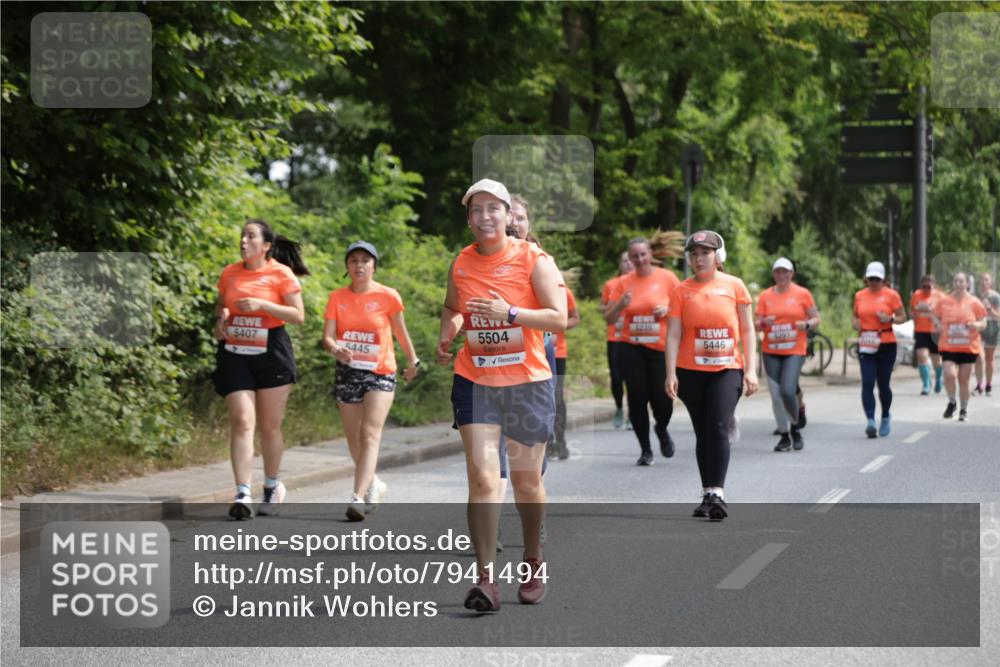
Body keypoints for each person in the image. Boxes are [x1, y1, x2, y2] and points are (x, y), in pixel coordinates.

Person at [437, 178, 566, 613]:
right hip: (475, 380)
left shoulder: (533, 258)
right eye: (476, 209)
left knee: (527, 483)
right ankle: (485, 579)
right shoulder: (461, 262)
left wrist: (509, 312)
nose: (485, 216)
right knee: (483, 479)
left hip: (527, 383)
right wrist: (447, 332)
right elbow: (453, 307)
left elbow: (558, 317)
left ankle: (532, 559)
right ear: (469, 219)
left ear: (509, 215)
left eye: (493, 208)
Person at [213, 219, 308, 520]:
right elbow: (221, 305)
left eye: (251, 236)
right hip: (235, 352)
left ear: (266, 246)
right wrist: (221, 320)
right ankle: (242, 492)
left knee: (269, 427)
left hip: (271, 351)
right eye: (242, 235)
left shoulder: (280, 273)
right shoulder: (229, 273)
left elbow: (298, 315)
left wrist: (263, 305)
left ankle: (271, 485)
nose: (243, 240)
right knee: (242, 420)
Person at [322, 241, 419, 521]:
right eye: (354, 260)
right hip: (348, 370)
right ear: (347, 266)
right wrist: (336, 349)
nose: (359, 265)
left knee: (369, 433)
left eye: (365, 260)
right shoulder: (337, 297)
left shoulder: (388, 296)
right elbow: (327, 337)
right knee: (353, 437)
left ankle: (357, 496)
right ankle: (373, 483)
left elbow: (400, 332)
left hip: (381, 371)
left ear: (374, 266)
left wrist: (412, 361)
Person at [665, 230, 758, 521]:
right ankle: (707, 492)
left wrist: (751, 369)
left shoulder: (735, 286)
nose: (699, 258)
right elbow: (673, 334)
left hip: (727, 369)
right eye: (694, 254)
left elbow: (747, 330)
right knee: (703, 431)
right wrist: (670, 373)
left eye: (705, 253)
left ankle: (718, 492)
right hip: (690, 371)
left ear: (718, 256)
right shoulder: (681, 290)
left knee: (717, 426)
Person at [605, 238, 680, 465]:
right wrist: (620, 305)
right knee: (637, 398)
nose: (639, 260)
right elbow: (609, 318)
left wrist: (667, 309)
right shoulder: (623, 282)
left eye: (643, 254)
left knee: (662, 399)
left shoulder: (667, 278)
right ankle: (645, 450)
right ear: (629, 258)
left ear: (651, 254)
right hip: (631, 348)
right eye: (634, 256)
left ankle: (662, 428)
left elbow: (684, 308)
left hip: (659, 349)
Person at [755, 257, 820, 452]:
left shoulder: (802, 294)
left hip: (794, 349)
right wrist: (764, 322)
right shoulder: (765, 296)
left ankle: (795, 429)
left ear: (792, 274)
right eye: (778, 271)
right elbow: (756, 324)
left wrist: (806, 324)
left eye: (785, 271)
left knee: (787, 390)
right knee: (775, 395)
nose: (781, 275)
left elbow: (816, 318)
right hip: (771, 351)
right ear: (773, 274)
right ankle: (784, 437)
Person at [851, 261, 906, 439]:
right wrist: (856, 324)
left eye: (877, 279)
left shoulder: (891, 295)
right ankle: (870, 421)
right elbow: (855, 317)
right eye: (871, 279)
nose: (874, 282)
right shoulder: (860, 295)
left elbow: (902, 316)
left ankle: (885, 415)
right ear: (866, 279)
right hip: (866, 342)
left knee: (883, 384)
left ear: (883, 280)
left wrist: (890, 319)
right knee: (867, 382)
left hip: (886, 342)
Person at [935, 271, 988, 421]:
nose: (958, 284)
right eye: (956, 281)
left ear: (967, 284)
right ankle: (952, 402)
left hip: (968, 346)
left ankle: (963, 409)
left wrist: (976, 325)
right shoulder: (944, 301)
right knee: (949, 375)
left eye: (961, 281)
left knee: (964, 379)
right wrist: (938, 324)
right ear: (953, 283)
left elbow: (984, 322)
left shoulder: (975, 302)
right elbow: (934, 315)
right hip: (948, 345)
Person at [601, 251, 634, 429]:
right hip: (615, 336)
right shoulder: (611, 284)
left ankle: (633, 414)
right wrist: (609, 307)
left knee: (633, 378)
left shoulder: (640, 283)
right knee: (616, 376)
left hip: (634, 337)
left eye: (630, 260)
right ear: (620, 264)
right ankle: (619, 408)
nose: (628, 263)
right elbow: (603, 306)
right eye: (624, 261)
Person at [910, 274, 944, 395]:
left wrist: (933, 312)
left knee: (937, 360)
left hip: (935, 332)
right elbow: (911, 312)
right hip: (920, 330)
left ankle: (939, 378)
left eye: (928, 287)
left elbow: (946, 314)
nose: (926, 289)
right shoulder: (916, 295)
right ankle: (926, 383)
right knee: (922, 356)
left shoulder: (940, 296)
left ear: (933, 286)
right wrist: (916, 312)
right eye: (923, 286)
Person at [974, 272, 1000, 396]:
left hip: (991, 329)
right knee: (979, 357)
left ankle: (988, 385)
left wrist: (989, 308)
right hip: (979, 329)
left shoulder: (996, 297)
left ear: (990, 283)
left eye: (986, 280)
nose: (984, 282)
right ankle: (980, 384)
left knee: (989, 359)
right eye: (982, 280)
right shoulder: (975, 297)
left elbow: (998, 316)